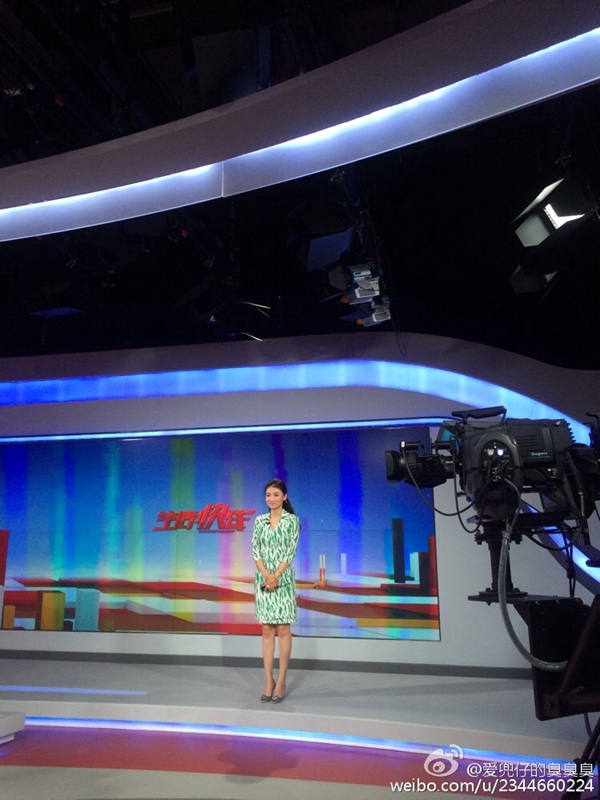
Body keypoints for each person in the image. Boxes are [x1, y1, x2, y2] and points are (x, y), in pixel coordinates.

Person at [252, 478, 300, 703]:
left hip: (283, 579)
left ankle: (281, 681)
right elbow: (255, 551)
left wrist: (276, 576)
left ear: (284, 497)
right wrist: (267, 576)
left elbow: (290, 552)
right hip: (263, 581)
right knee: (266, 630)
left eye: (275, 495)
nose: (271, 499)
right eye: (268, 495)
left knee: (283, 629)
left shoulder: (292, 521)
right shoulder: (259, 521)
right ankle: (268, 681)